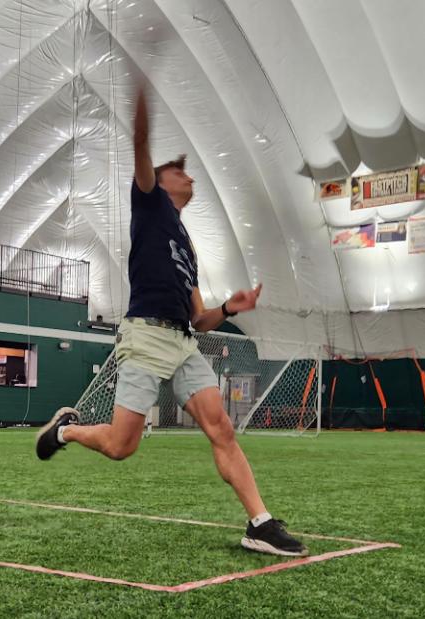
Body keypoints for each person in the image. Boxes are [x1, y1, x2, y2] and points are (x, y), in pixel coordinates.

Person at [35, 88, 308, 557]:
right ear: (159, 182)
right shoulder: (148, 205)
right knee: (122, 446)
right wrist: (142, 106)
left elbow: (200, 318)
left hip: (183, 342)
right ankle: (65, 430)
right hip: (144, 336)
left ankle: (259, 523)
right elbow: (141, 148)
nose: (188, 176)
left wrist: (230, 308)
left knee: (220, 426)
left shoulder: (187, 243)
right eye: (178, 170)